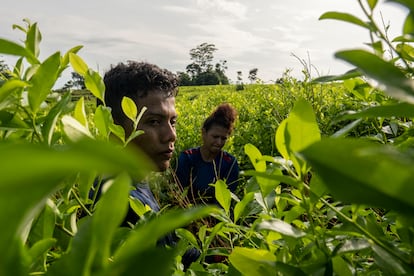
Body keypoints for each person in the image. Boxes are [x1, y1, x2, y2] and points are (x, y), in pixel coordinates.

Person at [95, 60, 199, 269]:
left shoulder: (131, 181)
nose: (171, 135)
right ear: (113, 130)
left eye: (173, 121)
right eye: (153, 121)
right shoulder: (119, 203)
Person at [175, 103, 239, 204]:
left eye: (223, 138)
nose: (219, 142)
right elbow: (179, 193)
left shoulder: (230, 163)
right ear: (204, 133)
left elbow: (226, 201)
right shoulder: (188, 158)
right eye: (215, 137)